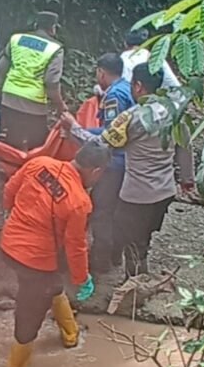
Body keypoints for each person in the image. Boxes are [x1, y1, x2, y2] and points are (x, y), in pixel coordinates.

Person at [61, 63, 195, 279]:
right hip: (165, 191)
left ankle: (134, 285)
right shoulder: (175, 113)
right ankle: (137, 275)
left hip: (137, 194)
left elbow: (101, 144)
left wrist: (73, 127)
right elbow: (185, 147)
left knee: (130, 241)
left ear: (138, 86)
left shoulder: (133, 117)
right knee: (143, 238)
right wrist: (187, 179)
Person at [0, 142, 111, 367]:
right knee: (28, 319)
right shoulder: (79, 202)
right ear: (96, 171)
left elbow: (10, 190)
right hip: (35, 261)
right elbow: (75, 246)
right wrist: (82, 279)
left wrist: (14, 217)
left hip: (8, 244)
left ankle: (71, 334)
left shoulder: (39, 163)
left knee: (50, 285)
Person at [0, 11, 66, 151]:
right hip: (34, 103)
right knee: (36, 145)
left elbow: (1, 69)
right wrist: (60, 106)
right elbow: (51, 82)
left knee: (11, 141)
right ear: (53, 28)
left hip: (9, 98)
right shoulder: (55, 48)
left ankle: (8, 164)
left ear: (36, 24)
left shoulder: (16, 39)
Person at [88, 53, 135, 272]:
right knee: (117, 210)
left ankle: (101, 259)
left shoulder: (114, 95)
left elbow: (110, 135)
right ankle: (116, 254)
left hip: (115, 161)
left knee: (102, 209)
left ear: (101, 72)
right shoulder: (127, 87)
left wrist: (81, 132)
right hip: (130, 160)